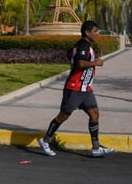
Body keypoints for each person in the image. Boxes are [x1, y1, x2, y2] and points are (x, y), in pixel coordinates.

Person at [37, 20, 114, 157]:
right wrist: (95, 62)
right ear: (87, 32)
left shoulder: (83, 45)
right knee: (63, 116)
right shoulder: (83, 45)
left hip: (85, 89)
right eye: (95, 31)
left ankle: (96, 148)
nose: (97, 34)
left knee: (94, 115)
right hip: (75, 88)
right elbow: (80, 63)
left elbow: (70, 54)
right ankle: (45, 140)